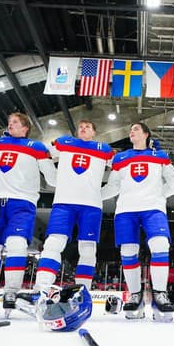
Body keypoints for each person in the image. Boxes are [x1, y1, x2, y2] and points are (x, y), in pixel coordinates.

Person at [0, 112, 57, 316]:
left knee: (17, 244)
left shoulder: (37, 147)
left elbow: (52, 178)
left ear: (25, 127)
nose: (10, 125)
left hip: (22, 202)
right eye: (9, 122)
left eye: (15, 122)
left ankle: (11, 292)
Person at [20, 119, 113, 303]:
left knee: (87, 248)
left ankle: (82, 295)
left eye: (88, 126)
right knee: (53, 243)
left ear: (94, 132)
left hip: (91, 206)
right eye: (81, 126)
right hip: (64, 202)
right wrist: (52, 178)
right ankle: (42, 289)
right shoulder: (64, 142)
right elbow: (42, 154)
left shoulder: (104, 149)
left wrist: (99, 194)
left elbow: (122, 169)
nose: (83, 128)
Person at [101, 122, 174, 320]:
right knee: (128, 251)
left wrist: (160, 195)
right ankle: (135, 296)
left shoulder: (160, 156)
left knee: (160, 245)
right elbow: (113, 186)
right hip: (126, 209)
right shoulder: (120, 158)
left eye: (136, 129)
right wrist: (93, 196)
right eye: (130, 129)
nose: (131, 131)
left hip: (153, 209)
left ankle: (160, 294)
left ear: (146, 134)